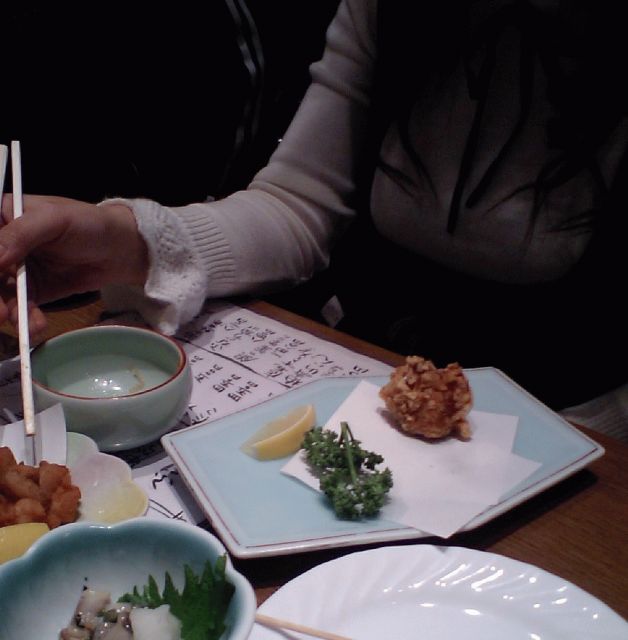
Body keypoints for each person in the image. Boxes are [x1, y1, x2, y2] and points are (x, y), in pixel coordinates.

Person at [1, 0, 627, 415]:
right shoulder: (392, 10)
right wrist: (120, 238)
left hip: (577, 422)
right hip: (364, 381)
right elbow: (298, 208)